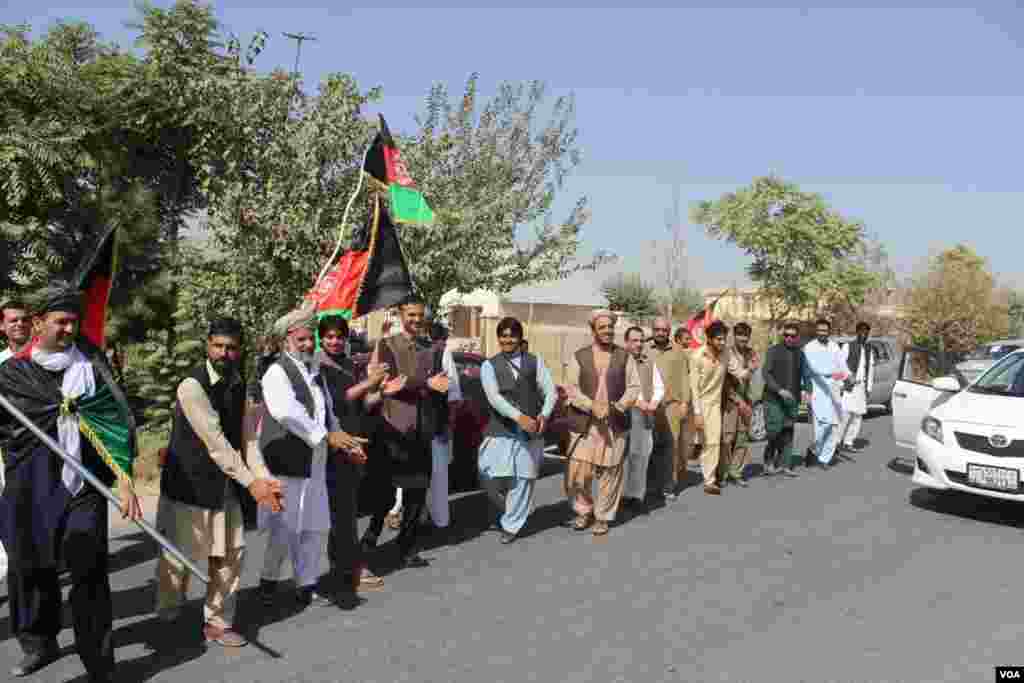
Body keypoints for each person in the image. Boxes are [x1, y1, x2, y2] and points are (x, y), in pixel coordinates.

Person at [0, 282, 142, 682]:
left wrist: (125, 478)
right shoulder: (12, 374)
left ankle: (99, 662)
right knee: (31, 570)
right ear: (38, 323)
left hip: (84, 487)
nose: (68, 330)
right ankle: (38, 644)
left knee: (89, 569)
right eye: (60, 322)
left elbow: (115, 421)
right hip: (30, 488)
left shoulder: (91, 365)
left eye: (73, 322)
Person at [155, 317, 284, 646]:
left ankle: (218, 621)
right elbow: (216, 442)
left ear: (239, 351)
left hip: (226, 484)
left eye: (231, 348)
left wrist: (264, 479)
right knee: (177, 559)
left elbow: (246, 439)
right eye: (218, 346)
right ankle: (169, 618)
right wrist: (251, 483)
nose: (224, 353)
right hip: (190, 487)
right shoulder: (191, 386)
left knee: (231, 554)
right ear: (207, 345)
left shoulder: (238, 382)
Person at [257, 306, 368, 608]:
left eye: (310, 340)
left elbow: (327, 411)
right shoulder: (277, 372)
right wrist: (325, 436)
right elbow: (286, 412)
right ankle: (268, 579)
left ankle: (306, 584)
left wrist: (344, 440)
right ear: (286, 341)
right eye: (302, 339)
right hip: (286, 462)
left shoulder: (314, 371)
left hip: (316, 462)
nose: (308, 345)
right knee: (284, 528)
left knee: (315, 526)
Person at [361, 297, 452, 569]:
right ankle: (370, 537)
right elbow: (389, 383)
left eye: (420, 315)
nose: (416, 319)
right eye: (411, 314)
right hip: (392, 428)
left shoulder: (433, 348)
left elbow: (441, 388)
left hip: (422, 429)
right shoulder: (388, 345)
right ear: (401, 315)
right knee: (384, 493)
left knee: (416, 493)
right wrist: (424, 383)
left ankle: (407, 547)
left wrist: (442, 424)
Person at [316, 315, 388, 590]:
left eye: (339, 336)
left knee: (346, 509)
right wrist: (369, 384)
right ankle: (352, 566)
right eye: (329, 336)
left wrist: (381, 391)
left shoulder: (347, 364)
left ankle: (342, 564)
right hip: (333, 444)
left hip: (355, 443)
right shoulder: (318, 366)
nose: (334, 341)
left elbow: (361, 402)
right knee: (342, 511)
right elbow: (337, 399)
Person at [478, 317, 557, 543]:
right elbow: (494, 398)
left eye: (512, 335)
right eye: (503, 335)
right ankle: (510, 510)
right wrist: (518, 417)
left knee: (523, 479)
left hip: (530, 430)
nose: (507, 339)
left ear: (520, 337)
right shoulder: (488, 365)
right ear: (498, 338)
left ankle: (511, 524)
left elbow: (550, 392)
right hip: (500, 429)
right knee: (488, 474)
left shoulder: (535, 361)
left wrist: (544, 415)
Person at [562, 309, 640, 536]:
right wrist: (591, 406)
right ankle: (583, 510)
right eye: (602, 327)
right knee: (578, 472)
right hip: (584, 423)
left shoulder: (625, 356)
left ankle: (603, 516)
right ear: (593, 330)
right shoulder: (579, 356)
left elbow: (634, 387)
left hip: (614, 423)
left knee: (611, 472)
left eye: (610, 327)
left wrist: (618, 407)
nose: (607, 331)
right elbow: (571, 388)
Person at [689, 320, 751, 495]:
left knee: (713, 442)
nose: (722, 343)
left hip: (715, 404)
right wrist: (698, 413)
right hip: (699, 403)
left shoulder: (726, 355)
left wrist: (751, 369)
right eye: (718, 339)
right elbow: (694, 387)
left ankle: (709, 481)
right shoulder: (697, 356)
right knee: (697, 442)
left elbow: (739, 373)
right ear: (709, 339)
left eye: (724, 339)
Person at [621, 326, 664, 512]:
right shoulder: (620, 361)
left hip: (645, 416)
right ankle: (620, 496)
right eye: (634, 340)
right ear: (627, 342)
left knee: (642, 455)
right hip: (625, 415)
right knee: (623, 457)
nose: (638, 344)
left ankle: (636, 495)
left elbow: (659, 386)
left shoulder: (648, 361)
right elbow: (621, 387)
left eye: (641, 340)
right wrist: (639, 403)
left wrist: (653, 402)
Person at [648, 317, 690, 503]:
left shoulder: (678, 351)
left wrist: (684, 403)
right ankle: (648, 486)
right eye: (657, 329)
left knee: (670, 448)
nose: (660, 333)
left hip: (671, 406)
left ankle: (668, 485)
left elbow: (685, 379)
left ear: (669, 331)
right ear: (652, 330)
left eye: (664, 330)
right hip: (648, 407)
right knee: (648, 447)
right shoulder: (645, 349)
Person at [761, 321, 807, 477]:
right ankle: (768, 461)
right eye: (786, 335)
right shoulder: (773, 351)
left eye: (792, 336)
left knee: (787, 431)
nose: (788, 338)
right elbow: (766, 373)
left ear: (797, 337)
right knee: (774, 431)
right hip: (773, 398)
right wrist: (779, 389)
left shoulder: (800, 353)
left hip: (792, 399)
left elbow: (805, 374)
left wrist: (808, 391)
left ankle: (785, 465)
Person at [802, 319, 848, 469]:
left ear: (829, 332)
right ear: (816, 331)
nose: (823, 333)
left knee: (834, 426)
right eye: (820, 330)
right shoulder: (809, 348)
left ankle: (824, 458)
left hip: (833, 390)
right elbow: (811, 370)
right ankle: (814, 449)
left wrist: (847, 377)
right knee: (821, 426)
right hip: (818, 390)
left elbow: (842, 366)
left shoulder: (834, 347)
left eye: (825, 331)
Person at [720, 322, 759, 487]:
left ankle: (736, 472)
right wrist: (737, 400)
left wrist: (750, 401)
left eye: (745, 335)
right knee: (727, 438)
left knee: (742, 438)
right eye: (739, 334)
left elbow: (752, 376)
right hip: (729, 401)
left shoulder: (751, 353)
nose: (742, 338)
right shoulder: (726, 353)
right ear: (734, 336)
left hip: (746, 399)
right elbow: (723, 381)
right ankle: (722, 473)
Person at [838, 322, 875, 455]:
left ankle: (848, 442)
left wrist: (869, 387)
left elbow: (870, 369)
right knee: (845, 415)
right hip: (850, 386)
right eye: (861, 332)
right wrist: (847, 377)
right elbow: (840, 364)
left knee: (857, 417)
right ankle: (836, 442)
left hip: (861, 388)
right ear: (857, 332)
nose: (864, 335)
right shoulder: (848, 346)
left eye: (866, 333)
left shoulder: (869, 349)